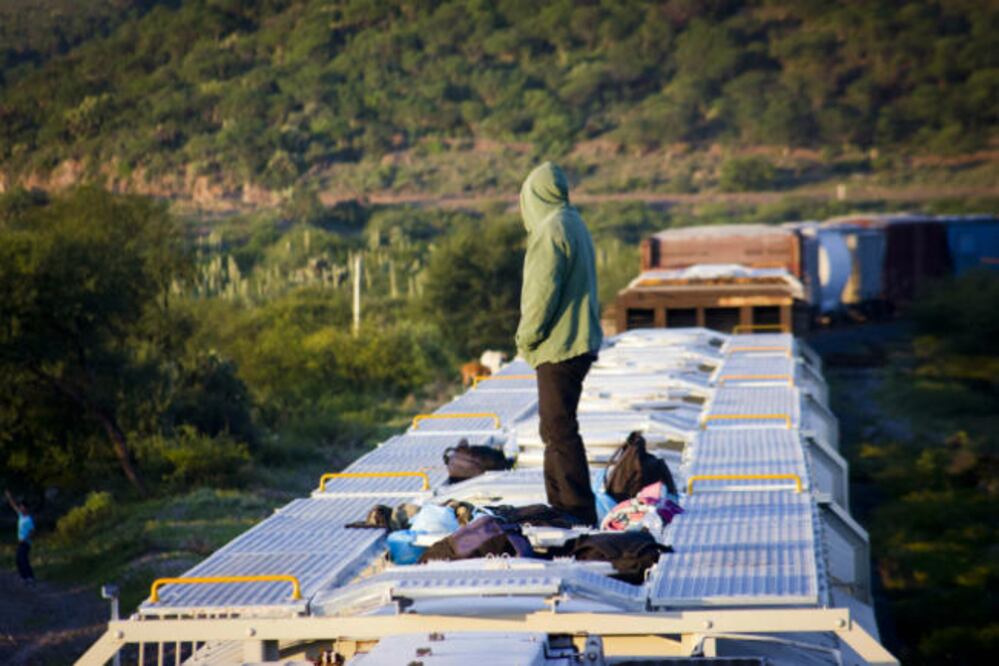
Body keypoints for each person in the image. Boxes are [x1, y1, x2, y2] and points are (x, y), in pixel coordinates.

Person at [515, 162, 603, 526]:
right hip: (578, 341)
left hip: (560, 344)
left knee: (559, 428)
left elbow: (540, 294)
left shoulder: (550, 230)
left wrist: (526, 337)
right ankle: (562, 506)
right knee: (554, 427)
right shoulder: (573, 221)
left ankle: (576, 511)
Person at [5, 489, 36, 585]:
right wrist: (9, 497)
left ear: (26, 508)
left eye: (22, 507)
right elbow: (14, 506)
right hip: (20, 541)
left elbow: (32, 531)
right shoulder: (21, 516)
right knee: (19, 560)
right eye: (21, 507)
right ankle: (24, 577)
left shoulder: (28, 519)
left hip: (25, 542)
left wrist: (26, 538)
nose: (21, 509)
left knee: (23, 559)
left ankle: (30, 577)